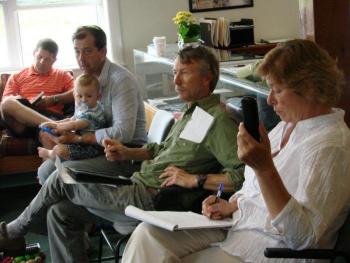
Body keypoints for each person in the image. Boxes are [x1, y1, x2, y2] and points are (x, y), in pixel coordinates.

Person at [0, 45, 244, 262]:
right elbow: (158, 150)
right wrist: (127, 151)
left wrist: (196, 180)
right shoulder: (192, 113)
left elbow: (242, 176)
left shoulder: (219, 121)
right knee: (59, 212)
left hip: (150, 198)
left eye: (185, 73)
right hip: (133, 185)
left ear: (207, 78)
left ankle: (13, 233)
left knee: (60, 179)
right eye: (174, 73)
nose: (176, 81)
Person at [120, 39, 350, 263]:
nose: (269, 100)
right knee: (147, 234)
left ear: (309, 88)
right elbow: (248, 187)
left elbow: (302, 237)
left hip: (264, 247)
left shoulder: (330, 146)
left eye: (277, 90)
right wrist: (230, 203)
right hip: (236, 225)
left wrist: (260, 169)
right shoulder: (286, 125)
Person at [36, 25, 147, 184]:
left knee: (59, 176)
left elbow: (124, 133)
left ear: (103, 52)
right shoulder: (83, 80)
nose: (81, 58)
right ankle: (64, 208)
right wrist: (57, 126)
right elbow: (79, 116)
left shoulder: (121, 81)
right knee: (44, 171)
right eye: (77, 51)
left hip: (124, 153)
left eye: (87, 51)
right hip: (96, 150)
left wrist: (80, 139)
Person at [0, 38, 74, 146]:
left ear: (54, 60)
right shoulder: (17, 76)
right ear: (34, 53)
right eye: (39, 57)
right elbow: (5, 104)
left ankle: (49, 127)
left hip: (50, 114)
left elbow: (76, 92)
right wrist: (25, 102)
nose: (42, 62)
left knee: (46, 134)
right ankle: (54, 125)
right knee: (7, 103)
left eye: (47, 59)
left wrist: (52, 99)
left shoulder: (62, 75)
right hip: (22, 120)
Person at [37, 73, 106, 161]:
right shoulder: (83, 108)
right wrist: (53, 123)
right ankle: (55, 149)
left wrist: (55, 126)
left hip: (91, 148)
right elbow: (70, 119)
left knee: (60, 150)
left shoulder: (92, 114)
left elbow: (74, 125)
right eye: (80, 96)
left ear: (98, 97)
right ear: (74, 95)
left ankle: (50, 154)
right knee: (49, 134)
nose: (84, 99)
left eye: (89, 96)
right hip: (79, 141)